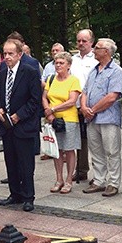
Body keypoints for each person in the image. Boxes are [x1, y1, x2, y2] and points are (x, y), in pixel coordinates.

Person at [0, 39, 41, 212]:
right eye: (4, 54)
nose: (7, 57)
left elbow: (34, 100)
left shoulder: (29, 72)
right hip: (7, 127)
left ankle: (28, 197)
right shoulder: (2, 74)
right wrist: (0, 109)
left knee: (26, 163)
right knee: (11, 161)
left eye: (10, 54)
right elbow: (0, 96)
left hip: (24, 125)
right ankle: (15, 194)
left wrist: (18, 116)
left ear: (19, 55)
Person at [81, 38, 122, 197]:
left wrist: (91, 110)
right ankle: (99, 180)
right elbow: (84, 92)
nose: (93, 50)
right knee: (96, 151)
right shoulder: (94, 70)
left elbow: (112, 97)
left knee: (112, 151)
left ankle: (113, 183)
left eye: (97, 48)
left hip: (108, 118)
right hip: (92, 119)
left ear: (106, 52)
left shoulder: (116, 71)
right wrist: (84, 107)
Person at [42, 52, 81, 194]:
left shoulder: (73, 81)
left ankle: (69, 179)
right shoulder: (51, 79)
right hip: (52, 118)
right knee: (56, 150)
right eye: (56, 63)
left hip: (68, 119)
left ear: (69, 65)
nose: (58, 65)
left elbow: (71, 101)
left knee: (69, 149)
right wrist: (48, 111)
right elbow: (45, 96)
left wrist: (53, 108)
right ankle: (59, 178)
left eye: (61, 63)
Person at [70, 29, 98, 182]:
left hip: (90, 106)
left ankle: (98, 174)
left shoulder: (96, 60)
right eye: (78, 40)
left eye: (84, 41)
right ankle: (81, 170)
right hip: (74, 105)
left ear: (91, 42)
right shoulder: (72, 59)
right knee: (79, 139)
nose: (81, 43)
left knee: (94, 140)